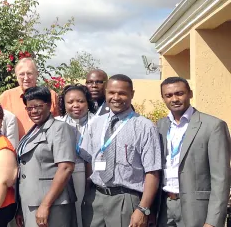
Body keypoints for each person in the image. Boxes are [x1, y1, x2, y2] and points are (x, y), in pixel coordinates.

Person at [82, 74, 162, 227]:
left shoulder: (144, 127)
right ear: (106, 93)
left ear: (132, 94)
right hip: (95, 198)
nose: (116, 97)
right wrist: (87, 194)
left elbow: (152, 173)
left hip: (126, 200)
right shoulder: (95, 123)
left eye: (122, 93)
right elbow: (88, 162)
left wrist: (143, 208)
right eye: (111, 92)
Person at [156, 77, 230, 227]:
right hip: (164, 207)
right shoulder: (160, 125)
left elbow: (221, 178)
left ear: (190, 93)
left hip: (197, 210)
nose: (174, 99)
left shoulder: (213, 126)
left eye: (179, 93)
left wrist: (213, 221)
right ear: (163, 98)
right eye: (169, 95)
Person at [16, 86, 77, 227]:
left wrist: (45, 204)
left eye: (38, 106)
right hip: (30, 203)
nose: (34, 111)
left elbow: (66, 168)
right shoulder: (32, 131)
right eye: (29, 108)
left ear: (49, 105)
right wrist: (20, 207)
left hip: (51, 203)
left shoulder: (59, 128)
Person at [55, 84, 97, 227]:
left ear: (88, 102)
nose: (75, 105)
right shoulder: (57, 123)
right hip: (63, 173)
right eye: (70, 102)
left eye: (80, 101)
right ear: (64, 104)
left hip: (90, 174)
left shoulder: (98, 122)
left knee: (85, 214)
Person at [0, 58, 60, 140]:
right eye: (22, 74)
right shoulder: (6, 97)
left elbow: (58, 123)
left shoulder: (51, 95)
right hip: (15, 149)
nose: (26, 78)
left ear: (37, 74)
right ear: (16, 76)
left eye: (29, 73)